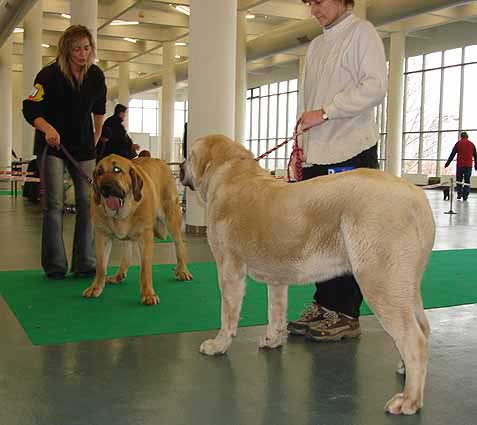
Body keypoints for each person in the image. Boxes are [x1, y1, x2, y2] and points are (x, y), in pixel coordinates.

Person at [287, 0, 388, 341]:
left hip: (351, 152)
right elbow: (310, 103)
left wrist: (327, 112)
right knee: (318, 239)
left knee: (348, 241)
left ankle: (346, 313)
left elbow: (375, 86)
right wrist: (303, 145)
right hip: (317, 155)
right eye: (309, 3)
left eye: (319, 1)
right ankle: (324, 304)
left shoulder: (362, 33)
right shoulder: (316, 45)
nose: (314, 9)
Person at [23, 25, 107, 280]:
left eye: (86, 48)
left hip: (83, 148)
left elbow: (100, 110)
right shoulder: (48, 75)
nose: (82, 54)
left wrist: (95, 136)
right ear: (66, 50)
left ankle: (85, 263)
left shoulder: (95, 75)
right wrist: (46, 128)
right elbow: (30, 109)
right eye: (76, 49)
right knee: (54, 204)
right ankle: (55, 265)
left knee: (87, 203)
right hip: (53, 146)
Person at [444, 131, 477, 201]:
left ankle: (459, 194)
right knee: (467, 180)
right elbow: (475, 156)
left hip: (460, 165)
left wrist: (447, 163)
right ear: (467, 137)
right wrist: (476, 165)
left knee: (459, 180)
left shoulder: (458, 144)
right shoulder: (472, 144)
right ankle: (465, 196)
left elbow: (452, 154)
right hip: (468, 165)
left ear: (461, 137)